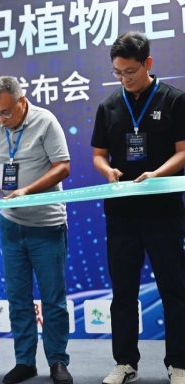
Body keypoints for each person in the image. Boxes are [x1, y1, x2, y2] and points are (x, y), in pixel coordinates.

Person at [91, 31, 185, 384]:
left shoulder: (174, 100)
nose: (124, 79)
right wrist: (108, 171)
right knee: (123, 292)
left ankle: (179, 363)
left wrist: (157, 174)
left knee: (174, 289)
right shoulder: (109, 106)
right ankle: (125, 362)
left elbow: (183, 151)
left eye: (129, 71)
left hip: (163, 210)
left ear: (148, 63)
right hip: (121, 213)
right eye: (117, 72)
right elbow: (99, 155)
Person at [0, 76, 73, 384]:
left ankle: (57, 361)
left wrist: (28, 191)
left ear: (22, 101)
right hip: (10, 226)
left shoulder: (45, 121)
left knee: (53, 299)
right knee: (18, 299)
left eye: (6, 112)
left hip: (46, 225)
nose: (1, 119)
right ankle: (25, 362)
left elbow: (63, 166)